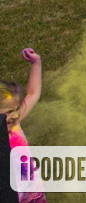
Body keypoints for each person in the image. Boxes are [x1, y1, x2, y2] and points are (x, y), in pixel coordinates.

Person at [3, 48, 42, 203]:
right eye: (8, 112)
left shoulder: (14, 124)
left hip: (33, 191)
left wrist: (36, 64)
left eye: (16, 109)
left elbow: (32, 93)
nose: (15, 115)